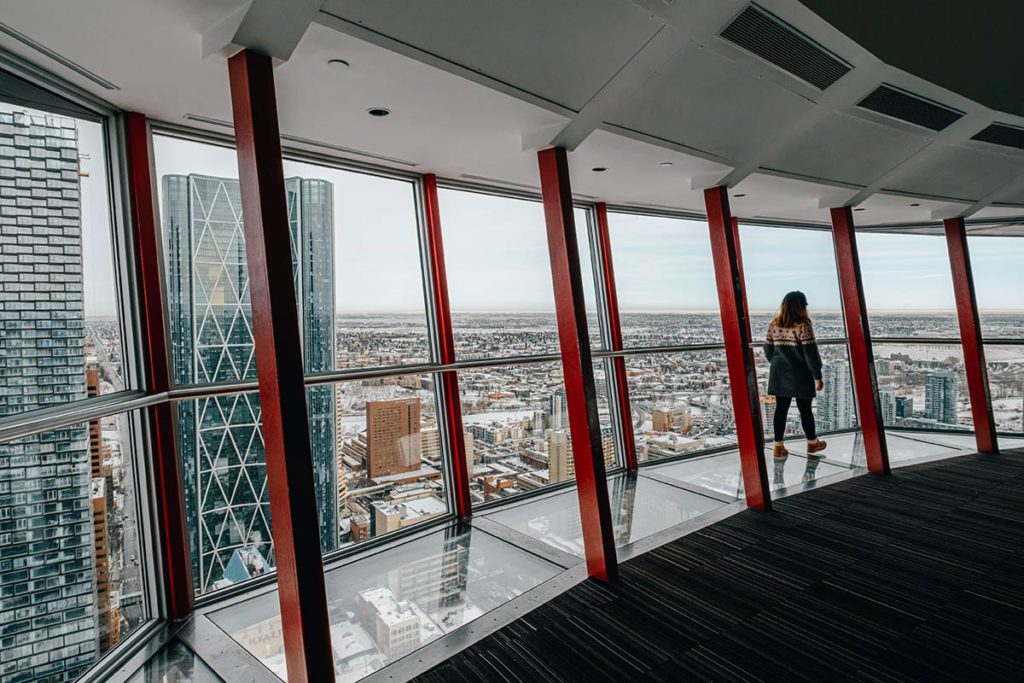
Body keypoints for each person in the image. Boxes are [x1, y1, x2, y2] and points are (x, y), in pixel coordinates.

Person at [763, 290, 827, 458]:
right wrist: (817, 376)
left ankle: (778, 447)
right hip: (800, 373)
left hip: (779, 373)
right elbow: (810, 352)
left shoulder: (774, 324)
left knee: (780, 409)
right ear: (802, 306)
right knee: (805, 409)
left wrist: (777, 362)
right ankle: (812, 443)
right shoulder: (803, 325)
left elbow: (768, 348)